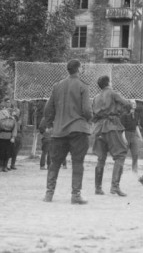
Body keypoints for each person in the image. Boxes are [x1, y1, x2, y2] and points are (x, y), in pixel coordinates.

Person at [40, 59, 93, 204]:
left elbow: (48, 109)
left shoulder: (57, 86)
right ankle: (75, 195)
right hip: (78, 130)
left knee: (54, 163)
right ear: (79, 69)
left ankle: (49, 194)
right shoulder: (83, 86)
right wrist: (89, 120)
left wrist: (51, 123)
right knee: (77, 162)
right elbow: (87, 110)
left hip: (59, 131)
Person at [92, 75, 132, 197]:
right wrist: (120, 111)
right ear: (109, 83)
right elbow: (127, 104)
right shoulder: (113, 93)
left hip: (98, 128)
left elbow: (93, 114)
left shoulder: (96, 97)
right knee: (120, 155)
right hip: (112, 126)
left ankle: (98, 188)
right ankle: (115, 187)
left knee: (101, 158)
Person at [120, 100, 142, 173]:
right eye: (133, 103)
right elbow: (122, 128)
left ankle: (134, 170)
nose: (134, 104)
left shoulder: (136, 114)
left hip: (134, 135)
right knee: (123, 154)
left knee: (135, 154)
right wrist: (124, 138)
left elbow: (136, 126)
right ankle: (120, 169)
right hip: (126, 134)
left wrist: (140, 136)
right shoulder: (124, 115)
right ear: (129, 104)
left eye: (135, 103)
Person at [0, 98, 17, 172]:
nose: (8, 113)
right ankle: (0, 166)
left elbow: (14, 129)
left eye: (9, 112)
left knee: (7, 152)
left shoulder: (13, 121)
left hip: (9, 137)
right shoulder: (2, 120)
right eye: (7, 112)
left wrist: (13, 137)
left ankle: (5, 166)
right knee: (0, 151)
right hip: (2, 136)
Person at [8, 100, 21, 170]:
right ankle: (6, 164)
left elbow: (20, 126)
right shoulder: (10, 117)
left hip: (18, 133)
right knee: (9, 149)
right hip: (11, 133)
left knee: (16, 150)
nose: (17, 112)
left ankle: (13, 164)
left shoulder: (19, 119)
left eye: (18, 111)